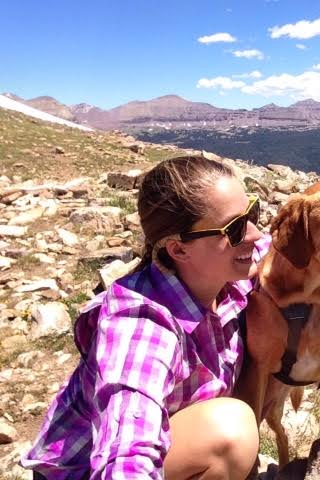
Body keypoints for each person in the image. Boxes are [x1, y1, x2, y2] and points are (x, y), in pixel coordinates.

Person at [21, 155, 267, 479]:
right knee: (231, 428)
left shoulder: (224, 271)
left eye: (253, 212)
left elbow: (283, 248)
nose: (256, 234)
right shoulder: (141, 326)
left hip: (174, 434)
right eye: (235, 229)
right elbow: (127, 455)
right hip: (82, 471)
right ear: (178, 250)